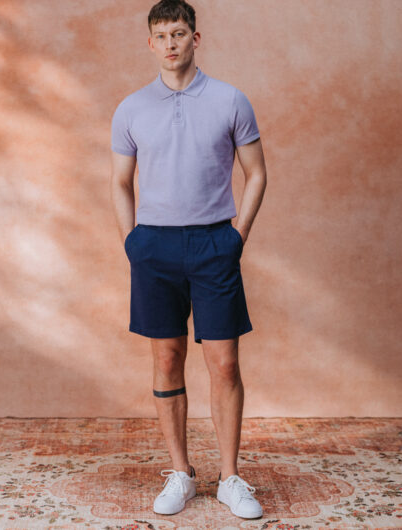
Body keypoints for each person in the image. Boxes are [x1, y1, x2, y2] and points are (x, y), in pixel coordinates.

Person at [110, 0, 267, 520]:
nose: (171, 43)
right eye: (161, 36)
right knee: (167, 358)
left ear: (195, 39)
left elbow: (257, 173)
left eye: (179, 33)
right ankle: (181, 472)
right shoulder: (131, 108)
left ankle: (230, 477)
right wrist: (132, 242)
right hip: (153, 247)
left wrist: (237, 236)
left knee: (225, 363)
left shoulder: (230, 100)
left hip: (214, 244)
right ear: (150, 43)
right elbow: (120, 182)